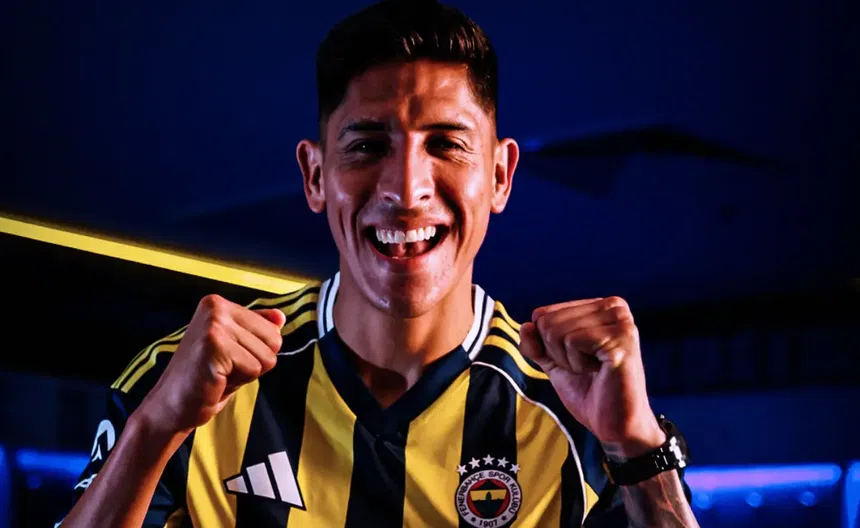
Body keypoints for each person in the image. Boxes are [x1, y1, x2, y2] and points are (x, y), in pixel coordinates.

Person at [58, 1, 699, 526]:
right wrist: (154, 429)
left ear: (500, 176)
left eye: (446, 144)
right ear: (315, 176)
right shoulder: (182, 381)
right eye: (367, 145)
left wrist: (636, 446)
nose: (405, 188)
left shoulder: (571, 407)